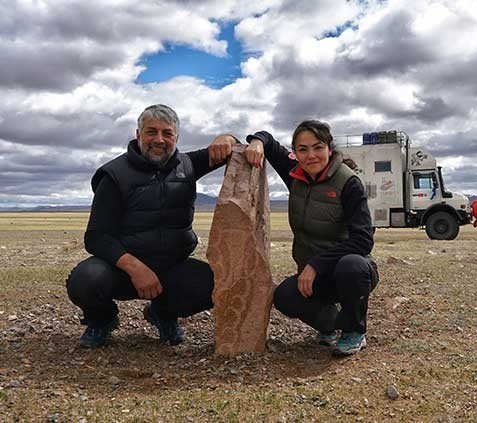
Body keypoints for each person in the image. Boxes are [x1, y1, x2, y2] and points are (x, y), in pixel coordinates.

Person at [66, 104, 236, 348]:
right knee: (86, 280)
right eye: (151, 132)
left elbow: (227, 149)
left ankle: (163, 314)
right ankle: (102, 320)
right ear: (138, 134)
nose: (159, 140)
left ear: (176, 138)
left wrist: (226, 137)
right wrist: (136, 268)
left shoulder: (187, 165)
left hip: (170, 267)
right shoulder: (114, 175)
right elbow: (96, 237)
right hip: (121, 270)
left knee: (217, 283)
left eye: (167, 133)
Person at [212, 120, 379, 356]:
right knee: (284, 296)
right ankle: (332, 325)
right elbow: (268, 140)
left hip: (350, 270)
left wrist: (315, 264)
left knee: (352, 267)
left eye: (318, 147)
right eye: (303, 149)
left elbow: (363, 240)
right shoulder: (296, 174)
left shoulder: (349, 183)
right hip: (316, 276)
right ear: (295, 153)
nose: (311, 155)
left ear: (329, 148)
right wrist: (257, 142)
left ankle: (354, 330)